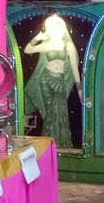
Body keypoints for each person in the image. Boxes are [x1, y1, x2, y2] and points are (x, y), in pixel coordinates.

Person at [24, 14, 81, 148]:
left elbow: (74, 68)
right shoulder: (46, 44)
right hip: (45, 79)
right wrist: (37, 38)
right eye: (50, 25)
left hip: (59, 81)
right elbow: (27, 50)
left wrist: (79, 88)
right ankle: (48, 143)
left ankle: (60, 142)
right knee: (49, 111)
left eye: (56, 24)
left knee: (60, 111)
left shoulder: (67, 45)